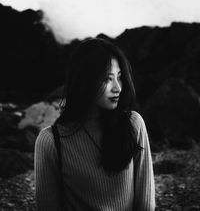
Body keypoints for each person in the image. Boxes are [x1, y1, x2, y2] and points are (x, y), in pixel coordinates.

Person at [34, 37, 155, 211]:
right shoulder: (51, 141)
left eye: (119, 77)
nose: (118, 88)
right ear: (85, 81)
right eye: (107, 79)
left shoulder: (133, 124)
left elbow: (145, 204)